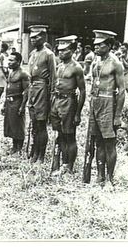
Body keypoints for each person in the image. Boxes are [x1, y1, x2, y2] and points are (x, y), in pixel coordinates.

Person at [84, 30, 125, 185]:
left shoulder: (115, 63)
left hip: (109, 103)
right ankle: (100, 177)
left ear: (108, 45)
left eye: (100, 45)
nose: (96, 48)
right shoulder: (96, 62)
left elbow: (121, 91)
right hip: (95, 102)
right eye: (95, 45)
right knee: (98, 141)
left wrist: (118, 115)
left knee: (109, 142)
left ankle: (110, 178)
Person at [51, 35, 86, 174]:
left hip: (69, 102)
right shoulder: (59, 66)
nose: (61, 53)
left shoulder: (76, 68)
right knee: (60, 134)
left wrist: (78, 113)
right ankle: (62, 163)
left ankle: (69, 166)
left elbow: (82, 90)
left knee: (69, 135)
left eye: (64, 50)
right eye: (59, 50)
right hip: (57, 101)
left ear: (72, 50)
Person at [27, 25, 56, 163]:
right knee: (34, 123)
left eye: (36, 36)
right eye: (31, 37)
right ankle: (35, 151)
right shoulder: (32, 54)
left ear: (44, 37)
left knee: (41, 124)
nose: (33, 39)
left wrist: (50, 99)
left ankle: (41, 155)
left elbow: (54, 78)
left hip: (43, 91)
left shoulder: (49, 55)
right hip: (33, 90)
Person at [1, 52, 30, 154]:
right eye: (8, 60)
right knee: (11, 124)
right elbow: (7, 90)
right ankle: (14, 146)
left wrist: (22, 106)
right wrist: (4, 104)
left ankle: (19, 147)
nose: (9, 62)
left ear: (18, 62)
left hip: (17, 102)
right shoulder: (11, 73)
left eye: (12, 60)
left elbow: (26, 91)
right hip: (9, 102)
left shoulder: (23, 74)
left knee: (18, 124)